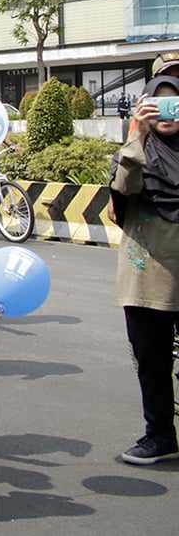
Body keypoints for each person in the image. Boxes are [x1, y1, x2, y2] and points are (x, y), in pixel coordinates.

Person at [108, 75, 179, 465]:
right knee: (152, 362)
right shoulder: (135, 151)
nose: (167, 112)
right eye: (158, 104)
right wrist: (138, 131)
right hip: (146, 275)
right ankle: (160, 435)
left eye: (175, 103)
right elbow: (125, 187)